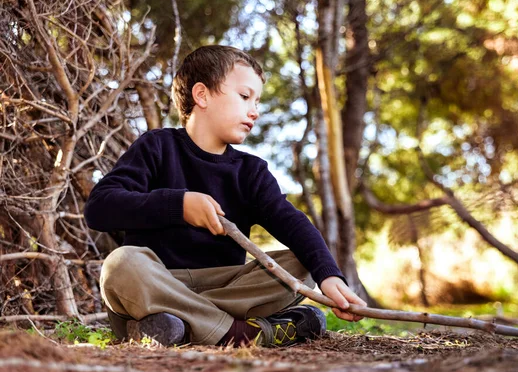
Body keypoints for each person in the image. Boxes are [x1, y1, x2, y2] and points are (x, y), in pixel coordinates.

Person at [84, 45, 366, 347]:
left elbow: (292, 222)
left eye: (257, 101)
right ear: (202, 95)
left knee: (302, 261)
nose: (254, 110)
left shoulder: (250, 171)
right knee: (120, 264)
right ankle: (243, 332)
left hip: (223, 288)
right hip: (157, 283)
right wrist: (178, 205)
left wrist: (330, 276)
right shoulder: (157, 147)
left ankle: (177, 326)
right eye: (245, 97)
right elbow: (100, 207)